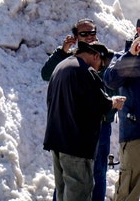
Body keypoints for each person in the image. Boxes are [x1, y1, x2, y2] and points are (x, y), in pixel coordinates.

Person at [40, 18, 116, 201]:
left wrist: (109, 110)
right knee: (73, 179)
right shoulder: (72, 60)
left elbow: (114, 82)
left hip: (100, 125)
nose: (90, 37)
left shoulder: (103, 55)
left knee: (97, 173)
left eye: (92, 32)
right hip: (74, 130)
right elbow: (46, 74)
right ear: (75, 37)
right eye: (84, 34)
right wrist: (62, 51)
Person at [103, 36, 140, 201]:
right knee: (128, 191)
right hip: (134, 135)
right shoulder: (123, 57)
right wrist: (131, 55)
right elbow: (110, 80)